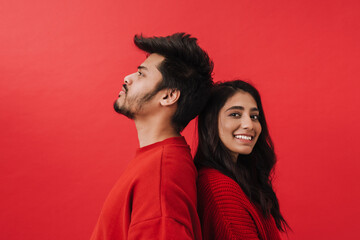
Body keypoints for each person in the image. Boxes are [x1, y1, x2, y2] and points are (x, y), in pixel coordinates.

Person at [90, 33, 213, 240]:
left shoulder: (161, 174)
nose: (127, 77)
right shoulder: (157, 161)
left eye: (141, 74)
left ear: (168, 96)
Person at [194, 80, 289, 240]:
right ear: (210, 121)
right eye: (235, 114)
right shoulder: (220, 190)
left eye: (254, 116)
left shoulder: (240, 181)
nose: (249, 125)